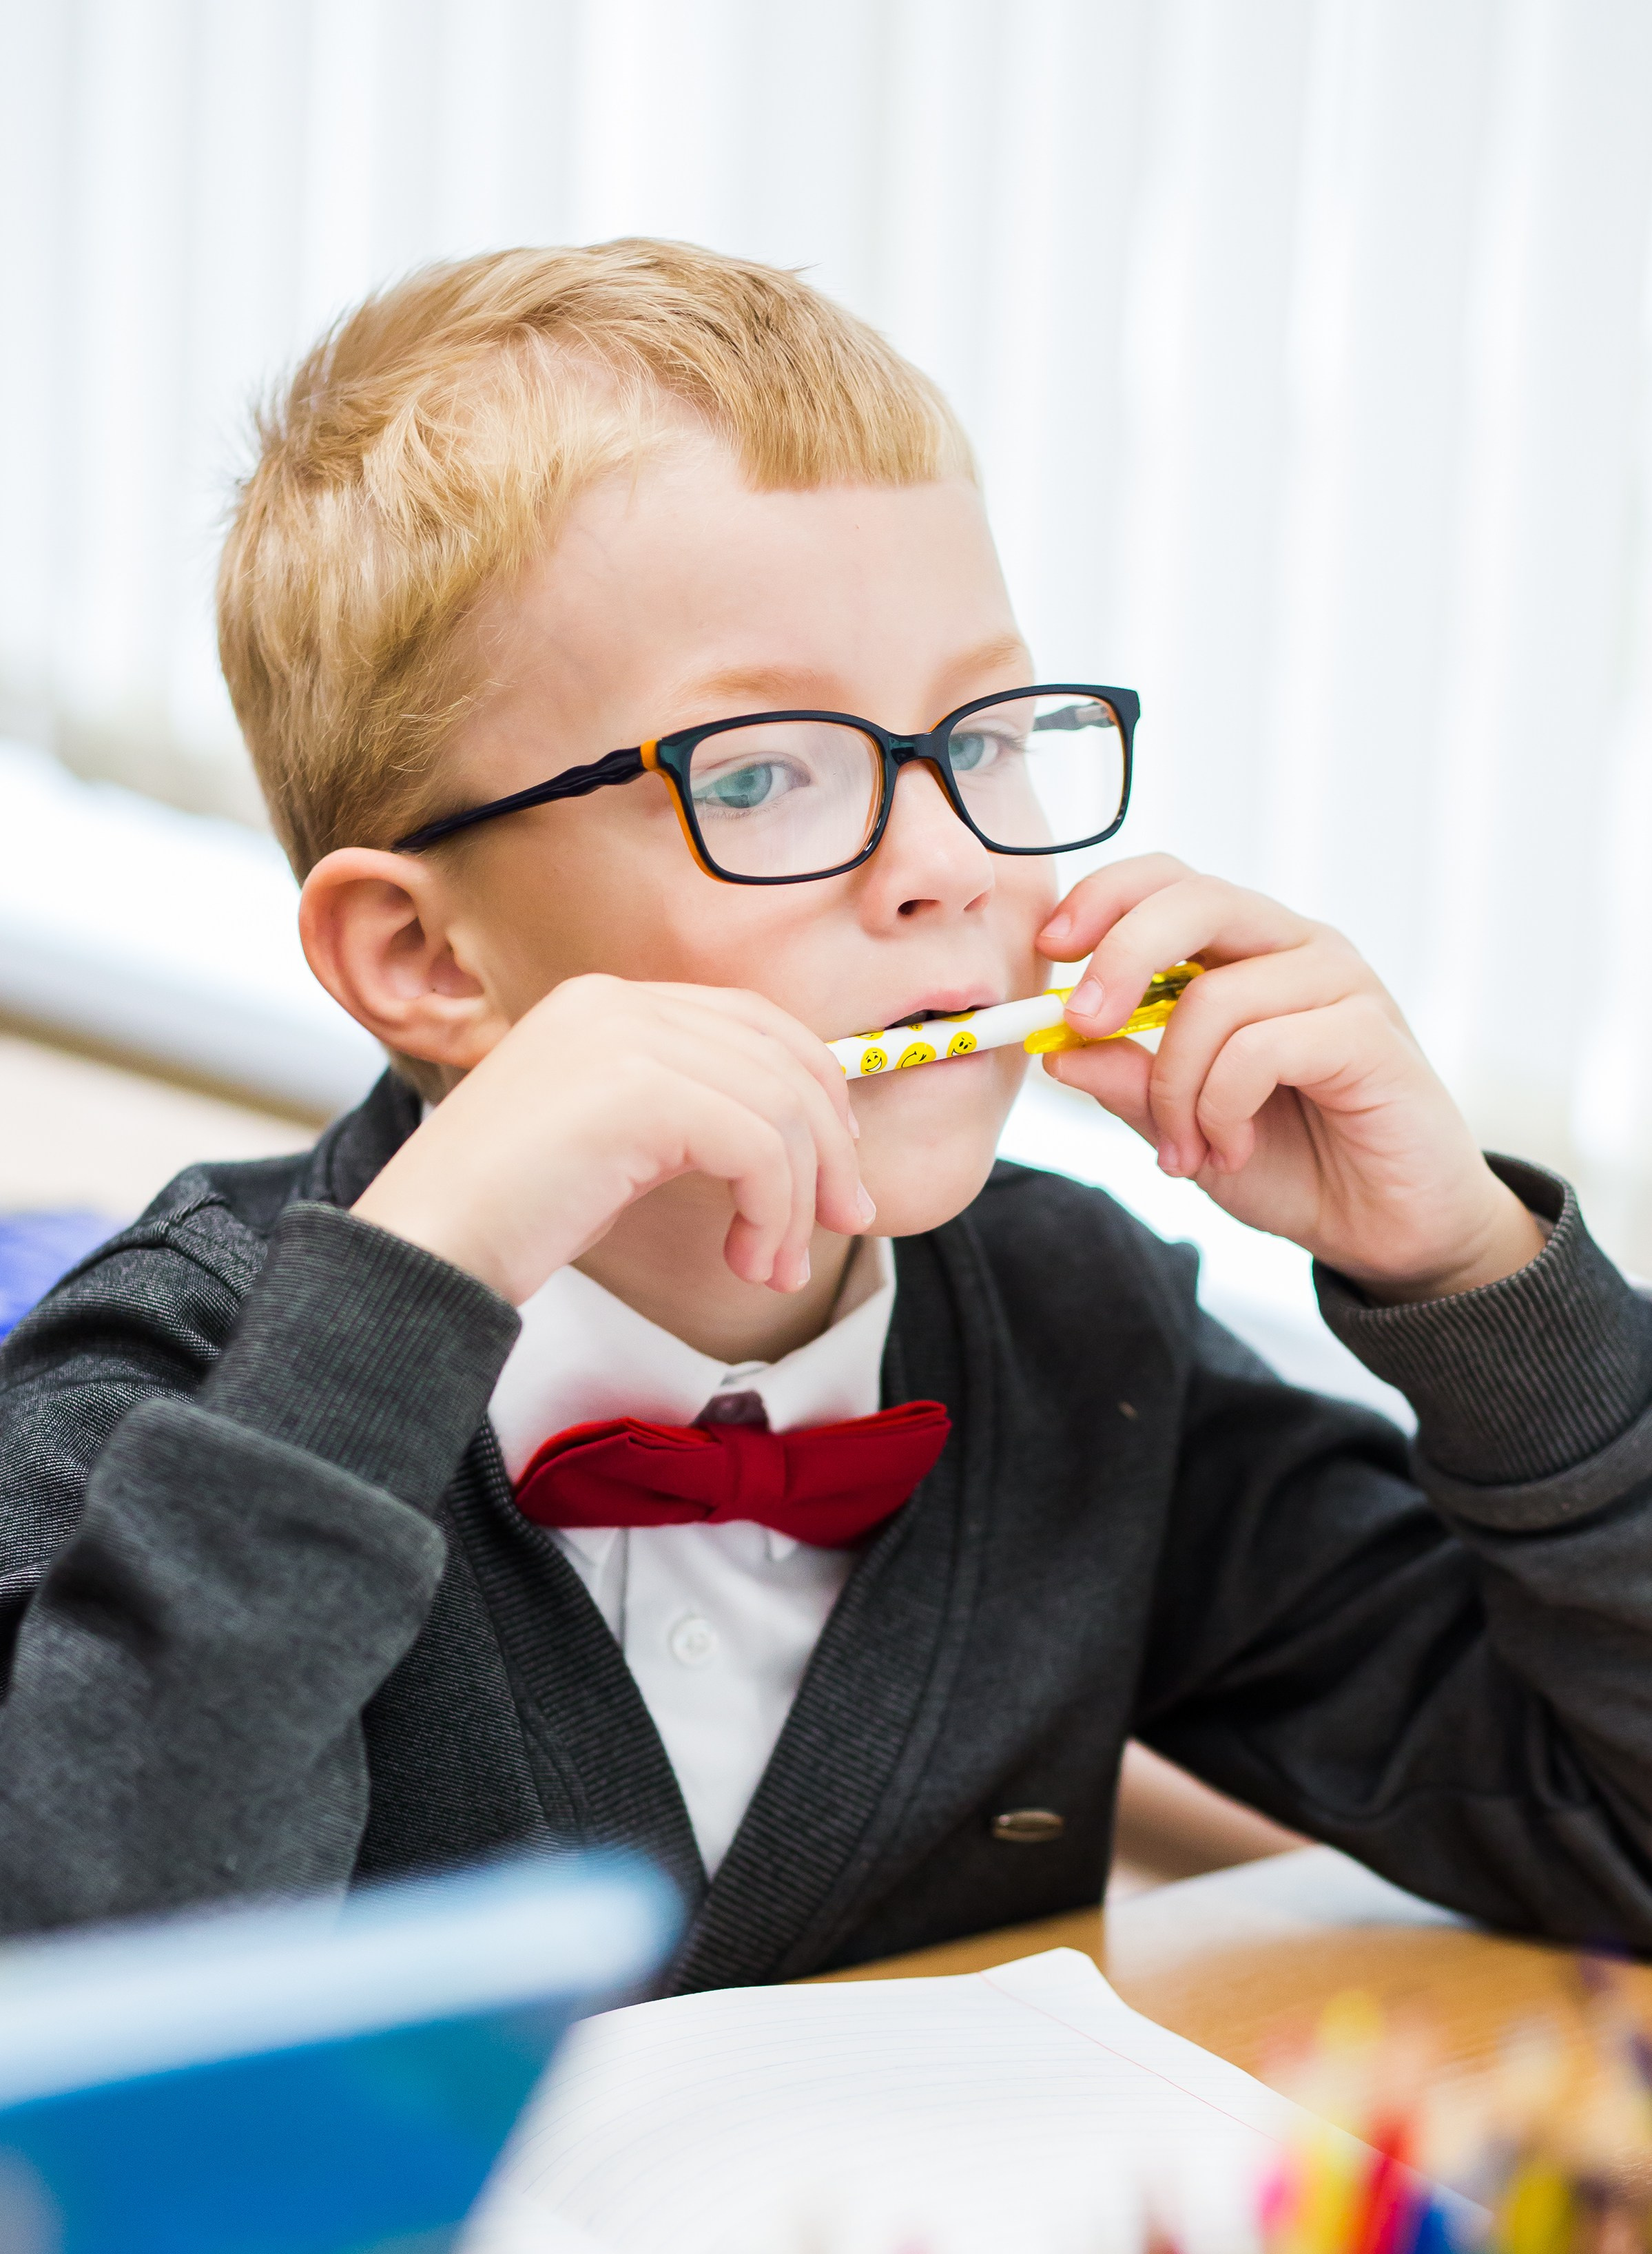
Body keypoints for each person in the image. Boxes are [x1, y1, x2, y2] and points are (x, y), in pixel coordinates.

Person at [2, 239, 1649, 1983]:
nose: (948, 867)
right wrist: (405, 1300)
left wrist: (1469, 1271)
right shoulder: (156, 1388)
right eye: (768, 772)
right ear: (423, 953)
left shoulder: (1076, 1340)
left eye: (986, 740)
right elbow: (67, 2016)